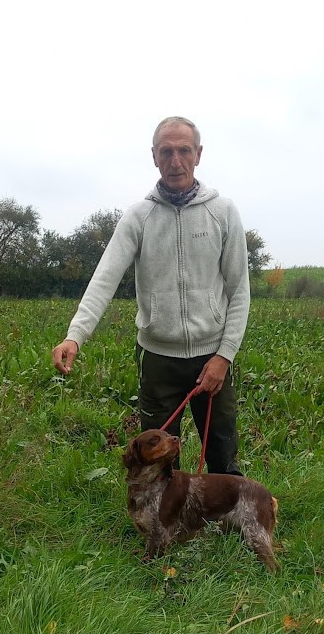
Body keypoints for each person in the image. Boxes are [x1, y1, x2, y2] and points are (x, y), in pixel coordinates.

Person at [52, 117, 250, 474]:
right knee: (157, 465)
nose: (176, 160)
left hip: (212, 355)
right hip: (158, 360)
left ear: (198, 155)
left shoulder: (222, 212)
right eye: (166, 152)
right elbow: (104, 279)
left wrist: (224, 356)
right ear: (154, 157)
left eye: (184, 151)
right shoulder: (138, 217)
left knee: (222, 454)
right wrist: (75, 336)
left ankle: (231, 526)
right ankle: (165, 528)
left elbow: (239, 291)